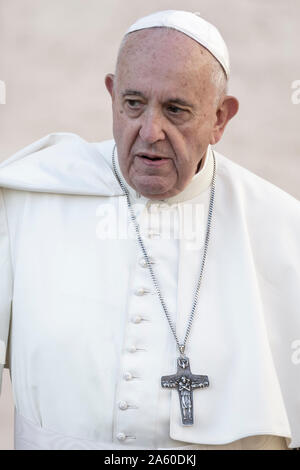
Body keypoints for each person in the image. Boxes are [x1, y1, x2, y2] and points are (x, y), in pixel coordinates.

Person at [0, 10, 299, 451]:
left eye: (176, 110)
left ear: (220, 119)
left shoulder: (283, 230)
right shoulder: (26, 199)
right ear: (112, 95)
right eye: (133, 104)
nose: (150, 131)